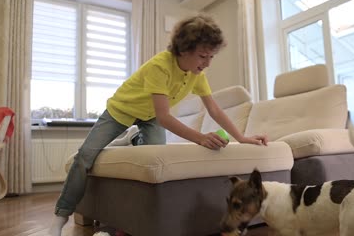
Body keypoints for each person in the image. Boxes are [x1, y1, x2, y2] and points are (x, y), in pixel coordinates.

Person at [48, 14, 268, 236]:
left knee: (154, 161)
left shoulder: (197, 73)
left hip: (150, 116)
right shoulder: (160, 66)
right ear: (184, 50)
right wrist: (200, 137)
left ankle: (135, 138)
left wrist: (242, 137)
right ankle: (60, 216)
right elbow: (164, 117)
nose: (208, 63)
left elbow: (214, 109)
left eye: (211, 56)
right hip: (121, 110)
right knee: (85, 156)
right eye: (203, 55)